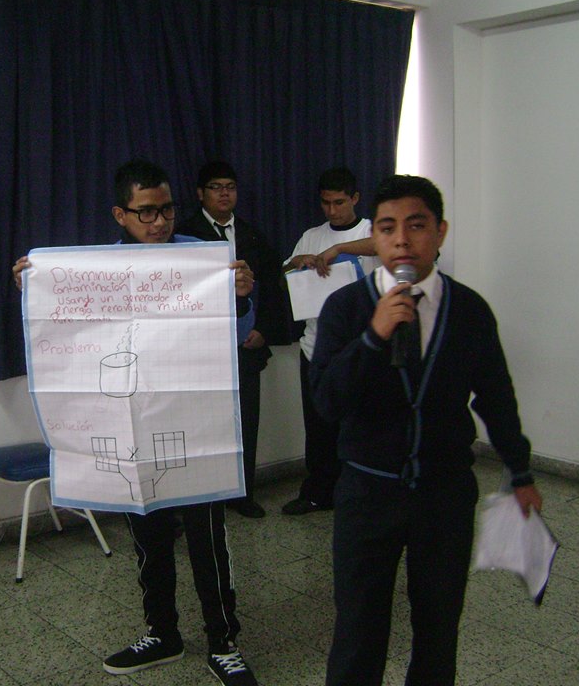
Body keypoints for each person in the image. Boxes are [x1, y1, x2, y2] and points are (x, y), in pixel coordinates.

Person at [12, 160, 260, 686]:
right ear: (120, 214)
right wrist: (34, 286)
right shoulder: (97, 269)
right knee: (147, 534)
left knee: (207, 539)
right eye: (146, 212)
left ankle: (224, 641)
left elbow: (239, 332)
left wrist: (241, 297)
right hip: (133, 428)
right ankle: (162, 632)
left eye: (167, 209)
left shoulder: (201, 258)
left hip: (194, 426)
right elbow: (62, 323)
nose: (160, 221)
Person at [310, 174, 543, 686]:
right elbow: (326, 402)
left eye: (416, 226)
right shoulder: (346, 308)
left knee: (438, 627)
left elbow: (496, 397)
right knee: (358, 629)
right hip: (367, 493)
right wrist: (373, 337)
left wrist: (520, 470)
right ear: (374, 237)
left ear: (440, 232)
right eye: (387, 228)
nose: (401, 240)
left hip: (444, 493)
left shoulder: (470, 310)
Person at [177, 161, 288, 519]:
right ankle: (202, 497)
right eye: (216, 187)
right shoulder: (183, 235)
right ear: (200, 193)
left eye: (230, 187)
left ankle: (243, 494)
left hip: (245, 347)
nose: (224, 193)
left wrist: (264, 330)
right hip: (203, 350)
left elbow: (272, 288)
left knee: (245, 422)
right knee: (202, 425)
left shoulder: (252, 234)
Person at [280, 167, 379, 516]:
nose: (332, 210)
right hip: (316, 346)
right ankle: (318, 493)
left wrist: (340, 248)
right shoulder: (311, 235)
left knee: (361, 425)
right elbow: (285, 271)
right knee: (319, 426)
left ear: (355, 198)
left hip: (362, 347)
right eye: (326, 203)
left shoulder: (371, 230)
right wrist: (299, 261)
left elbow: (385, 245)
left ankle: (360, 495)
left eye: (339, 202)